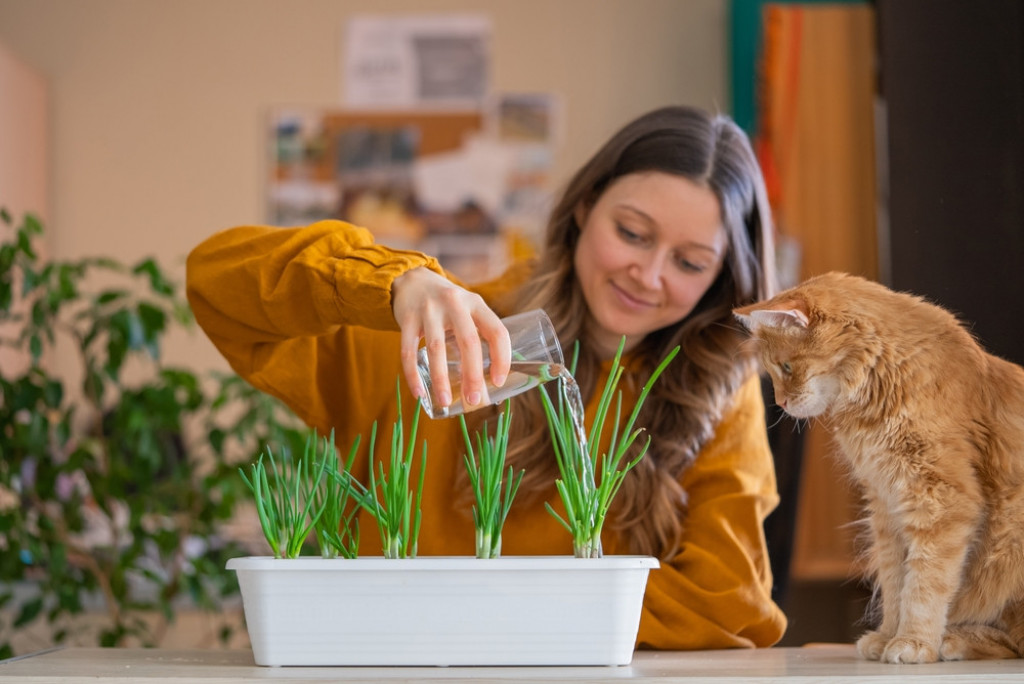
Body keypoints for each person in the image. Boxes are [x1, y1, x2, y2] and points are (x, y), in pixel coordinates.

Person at [186, 105, 787, 649]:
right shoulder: (436, 333)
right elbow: (216, 283)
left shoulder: (715, 388)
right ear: (584, 207)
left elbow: (726, 602)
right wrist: (393, 282)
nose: (648, 274)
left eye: (688, 262)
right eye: (631, 233)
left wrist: (489, 613)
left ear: (722, 278)